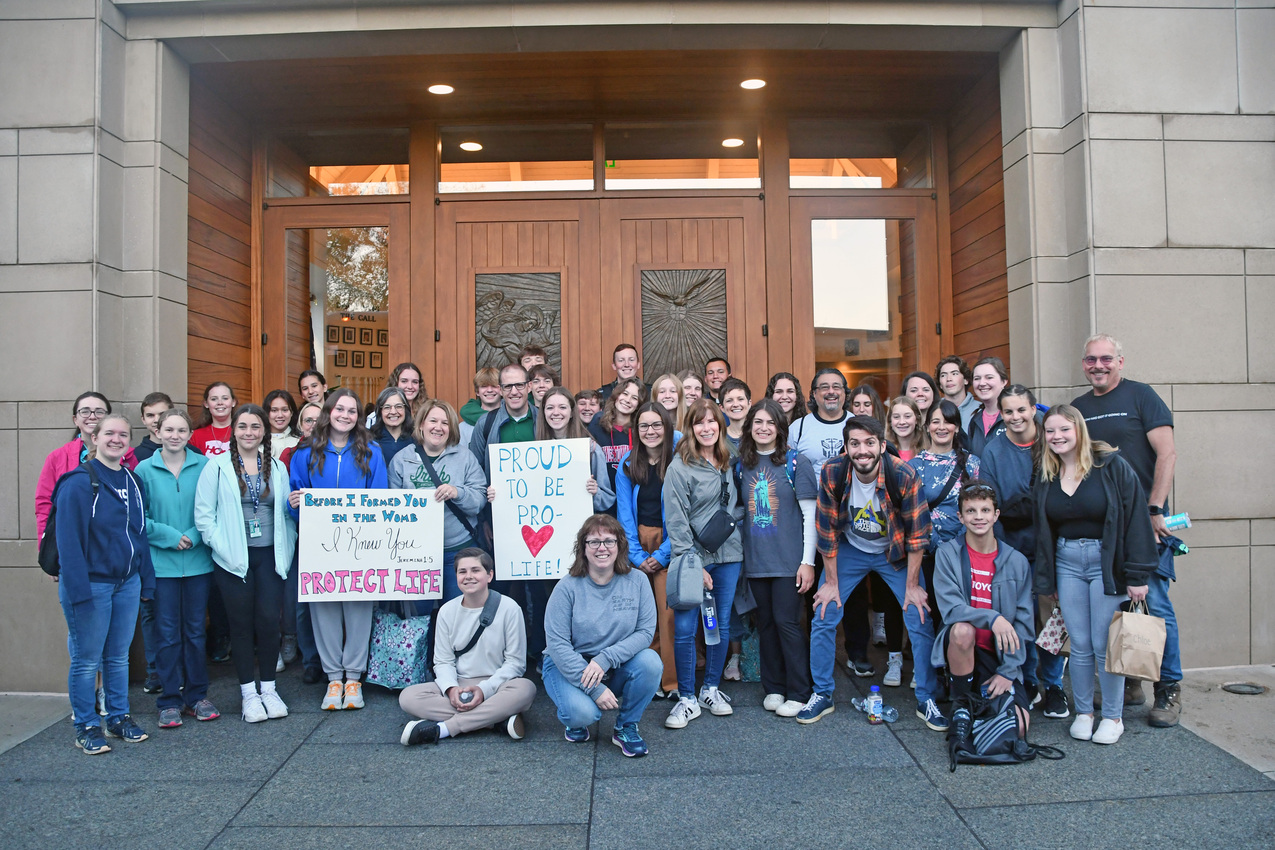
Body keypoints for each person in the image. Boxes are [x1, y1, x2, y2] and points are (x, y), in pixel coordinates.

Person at [797, 415, 947, 732]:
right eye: (854, 443)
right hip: (850, 549)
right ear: (846, 447)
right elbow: (826, 532)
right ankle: (822, 694)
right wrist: (832, 584)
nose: (862, 450)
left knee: (918, 614)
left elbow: (918, 536)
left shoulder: (903, 474)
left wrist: (912, 587)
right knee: (824, 611)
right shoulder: (833, 472)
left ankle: (927, 699)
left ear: (881, 445)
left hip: (893, 552)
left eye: (869, 443)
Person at [1071, 333, 1182, 727]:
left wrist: (1155, 509)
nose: (1097, 366)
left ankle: (1168, 689)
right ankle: (1130, 682)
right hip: (1102, 526)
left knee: (1155, 605)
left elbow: (1167, 453)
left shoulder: (1141, 396)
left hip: (1143, 521)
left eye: (1105, 359)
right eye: (1090, 360)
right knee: (1117, 606)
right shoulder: (1079, 408)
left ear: (1120, 361)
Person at [1033, 404, 1157, 746]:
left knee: (1106, 645)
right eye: (1051, 431)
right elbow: (1043, 530)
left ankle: (1113, 717)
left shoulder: (1111, 466)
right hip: (1066, 562)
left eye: (1064, 430)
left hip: (1107, 563)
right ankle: (1085, 713)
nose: (1057, 437)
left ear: (1079, 431)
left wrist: (1137, 575)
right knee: (1081, 645)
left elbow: (1135, 520)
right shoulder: (1046, 472)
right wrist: (1049, 579)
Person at [55, 412, 154, 754]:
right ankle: (85, 724)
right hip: (91, 586)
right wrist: (79, 594)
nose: (116, 439)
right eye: (109, 433)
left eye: (123, 434)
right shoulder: (78, 482)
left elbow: (139, 536)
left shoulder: (133, 481)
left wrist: (146, 581)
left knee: (118, 657)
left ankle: (117, 717)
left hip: (126, 583)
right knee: (86, 659)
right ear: (93, 438)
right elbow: (68, 544)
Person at [194, 403, 297, 723]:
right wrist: (224, 549)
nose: (249, 433)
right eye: (242, 427)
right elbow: (204, 517)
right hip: (233, 560)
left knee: (269, 623)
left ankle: (269, 688)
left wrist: (291, 534)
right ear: (233, 431)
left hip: (270, 557)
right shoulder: (218, 467)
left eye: (255, 427)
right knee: (240, 628)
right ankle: (248, 694)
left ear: (264, 431)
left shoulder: (277, 468)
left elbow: (286, 514)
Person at [288, 389, 388, 711]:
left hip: (361, 544)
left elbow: (380, 498)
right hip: (319, 545)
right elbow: (295, 496)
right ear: (328, 412)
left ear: (359, 416)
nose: (345, 415)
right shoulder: (306, 452)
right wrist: (296, 505)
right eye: (340, 409)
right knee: (324, 609)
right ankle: (333, 678)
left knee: (359, 609)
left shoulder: (371, 451)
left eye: (352, 411)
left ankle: (354, 678)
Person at [542, 514, 661, 757]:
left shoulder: (637, 581)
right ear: (582, 548)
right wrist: (595, 690)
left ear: (620, 546)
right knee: (584, 714)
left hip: (612, 664)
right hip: (568, 664)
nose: (602, 548)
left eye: (609, 541)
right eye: (594, 542)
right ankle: (574, 718)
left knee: (650, 662)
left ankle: (626, 725)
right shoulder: (566, 586)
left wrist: (605, 659)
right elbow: (557, 644)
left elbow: (645, 633)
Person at [981, 385, 1067, 716]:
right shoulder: (993, 449)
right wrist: (999, 553)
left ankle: (1055, 684)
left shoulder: (1053, 438)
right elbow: (989, 501)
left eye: (1021, 410)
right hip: (1012, 546)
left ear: (1033, 409)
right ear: (999, 414)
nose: (1015, 417)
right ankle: (1027, 679)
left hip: (1053, 544)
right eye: (1008, 412)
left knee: (1053, 617)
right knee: (1022, 616)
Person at [399, 548, 537, 746]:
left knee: (526, 689)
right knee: (408, 697)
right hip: (460, 682)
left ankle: (443, 729)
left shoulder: (509, 608)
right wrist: (451, 688)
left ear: (489, 575)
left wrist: (484, 690)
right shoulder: (447, 611)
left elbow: (515, 663)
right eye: (462, 572)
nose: (468, 576)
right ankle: (495, 720)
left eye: (476, 570)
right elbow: (443, 661)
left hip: (497, 684)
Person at [662, 398, 744, 729]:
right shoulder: (679, 466)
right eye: (699, 422)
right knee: (685, 628)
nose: (706, 428)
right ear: (690, 428)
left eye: (712, 421)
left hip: (729, 555)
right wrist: (693, 562)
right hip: (691, 559)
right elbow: (676, 520)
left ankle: (711, 688)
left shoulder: (732, 460)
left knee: (719, 624)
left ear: (720, 426)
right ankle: (686, 697)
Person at [136, 409, 219, 728]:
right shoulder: (144, 469)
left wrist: (196, 535)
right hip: (162, 566)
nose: (174, 435)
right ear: (158, 431)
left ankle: (197, 696)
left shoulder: (205, 466)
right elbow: (138, 517)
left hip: (198, 563)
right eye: (168, 429)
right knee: (167, 634)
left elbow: (214, 509)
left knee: (196, 632)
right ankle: (169, 699)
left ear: (189, 434)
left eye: (181, 430)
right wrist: (171, 537)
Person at [519, 387, 616, 660]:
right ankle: (546, 655)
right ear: (542, 412)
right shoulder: (529, 453)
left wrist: (595, 490)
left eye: (562, 407)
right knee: (543, 600)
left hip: (579, 541)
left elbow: (607, 500)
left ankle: (581, 656)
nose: (556, 413)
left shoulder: (591, 449)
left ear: (572, 412)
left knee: (579, 600)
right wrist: (498, 493)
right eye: (550, 408)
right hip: (541, 542)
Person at [737, 399, 818, 718]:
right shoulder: (742, 464)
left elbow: (810, 515)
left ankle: (799, 690)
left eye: (770, 422)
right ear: (749, 427)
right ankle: (773, 687)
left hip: (789, 561)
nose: (763, 428)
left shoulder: (797, 463)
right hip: (756, 561)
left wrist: (807, 561)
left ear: (780, 428)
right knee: (766, 624)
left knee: (788, 623)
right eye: (757, 422)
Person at [932, 481, 1034, 721]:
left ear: (996, 515)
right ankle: (961, 704)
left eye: (985, 510)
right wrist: (993, 618)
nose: (979, 517)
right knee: (962, 631)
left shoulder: (1016, 561)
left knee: (1020, 726)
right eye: (971, 511)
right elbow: (951, 610)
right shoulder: (947, 554)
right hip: (964, 648)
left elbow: (1024, 623)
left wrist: (1008, 672)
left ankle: (989, 698)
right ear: (960, 517)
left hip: (999, 655)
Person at [905, 400, 981, 683]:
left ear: (956, 426)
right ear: (927, 426)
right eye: (935, 421)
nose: (941, 427)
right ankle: (928, 672)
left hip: (959, 553)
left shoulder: (972, 464)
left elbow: (979, 508)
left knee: (956, 612)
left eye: (947, 421)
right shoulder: (913, 466)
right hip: (923, 552)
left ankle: (957, 673)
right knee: (927, 612)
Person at [389, 400, 488, 606]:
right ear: (421, 425)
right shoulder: (401, 460)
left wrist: (457, 492)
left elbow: (479, 500)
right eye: (433, 420)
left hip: (458, 552)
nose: (438, 427)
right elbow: (390, 508)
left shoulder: (465, 458)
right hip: (415, 554)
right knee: (419, 619)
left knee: (458, 615)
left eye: (445, 423)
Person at [615, 403, 680, 697]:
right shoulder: (627, 464)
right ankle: (649, 681)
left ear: (666, 428)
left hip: (671, 544)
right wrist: (638, 557)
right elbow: (624, 516)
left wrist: (661, 555)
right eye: (644, 426)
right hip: (637, 545)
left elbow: (683, 514)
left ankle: (672, 682)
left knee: (668, 616)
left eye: (656, 425)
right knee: (644, 617)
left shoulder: (679, 461)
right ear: (636, 430)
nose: (650, 431)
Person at [36, 392, 139, 544]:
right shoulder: (57, 457)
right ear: (75, 419)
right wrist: (47, 545)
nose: (92, 416)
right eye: (85, 411)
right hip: (71, 541)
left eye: (99, 412)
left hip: (115, 545)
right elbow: (45, 504)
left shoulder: (129, 457)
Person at [279, 399, 323, 683]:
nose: (314, 425)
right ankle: (311, 661)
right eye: (308, 420)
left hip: (341, 537)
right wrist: (292, 503)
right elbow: (285, 498)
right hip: (304, 538)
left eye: (319, 419)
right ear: (299, 425)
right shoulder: (291, 455)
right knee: (304, 602)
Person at [469, 363, 540, 481]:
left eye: (519, 385)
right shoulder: (485, 423)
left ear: (529, 386)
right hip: (498, 498)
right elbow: (474, 471)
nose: (514, 392)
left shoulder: (544, 420)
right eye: (507, 386)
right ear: (500, 390)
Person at [587, 375, 643, 496]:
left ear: (639, 404)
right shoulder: (597, 424)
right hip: (603, 497)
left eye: (634, 398)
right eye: (625, 394)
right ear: (616, 395)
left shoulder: (641, 430)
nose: (627, 400)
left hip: (631, 497)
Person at [966, 357, 1009, 456]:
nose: (982, 383)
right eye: (977, 378)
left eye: (989, 377)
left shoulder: (1016, 415)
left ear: (1004, 381)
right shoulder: (975, 421)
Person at [369, 386, 415, 466]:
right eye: (387, 407)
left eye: (399, 406)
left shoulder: (416, 438)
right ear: (380, 412)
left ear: (406, 409)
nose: (393, 412)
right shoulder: (369, 439)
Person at [191, 382, 237, 457]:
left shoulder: (243, 432)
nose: (220, 403)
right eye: (214, 399)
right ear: (206, 404)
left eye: (225, 398)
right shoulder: (195, 436)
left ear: (233, 402)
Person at [936, 355, 979, 429]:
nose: (949, 379)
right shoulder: (934, 410)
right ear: (940, 384)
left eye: (954, 373)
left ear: (966, 380)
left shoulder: (980, 410)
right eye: (943, 375)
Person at [135, 392, 175, 462]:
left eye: (162, 414)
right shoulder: (134, 456)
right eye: (150, 415)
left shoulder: (191, 452)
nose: (156, 420)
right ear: (143, 419)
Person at [885, 395, 926, 461]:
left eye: (907, 416)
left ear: (917, 419)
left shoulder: (928, 451)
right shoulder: (884, 451)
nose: (902, 422)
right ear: (890, 420)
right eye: (896, 417)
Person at [264, 389, 301, 456]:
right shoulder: (258, 441)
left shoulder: (300, 441)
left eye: (285, 410)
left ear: (292, 412)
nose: (280, 415)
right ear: (266, 413)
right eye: (274, 410)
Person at [718, 377, 751, 449]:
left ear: (749, 403)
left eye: (740, 399)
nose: (735, 404)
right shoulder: (718, 438)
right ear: (722, 407)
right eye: (729, 400)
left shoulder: (758, 435)